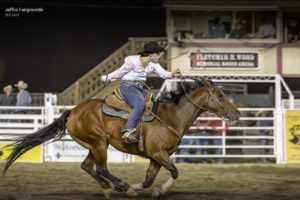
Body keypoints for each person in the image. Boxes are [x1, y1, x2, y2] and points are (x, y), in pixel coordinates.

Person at [101, 41, 180, 142]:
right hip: (128, 87)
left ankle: (151, 126)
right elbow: (120, 72)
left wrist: (172, 74)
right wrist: (107, 78)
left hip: (140, 88)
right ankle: (128, 130)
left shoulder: (153, 64)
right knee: (140, 104)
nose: (159, 56)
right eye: (158, 54)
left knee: (156, 99)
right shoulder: (132, 61)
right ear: (151, 55)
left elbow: (164, 74)